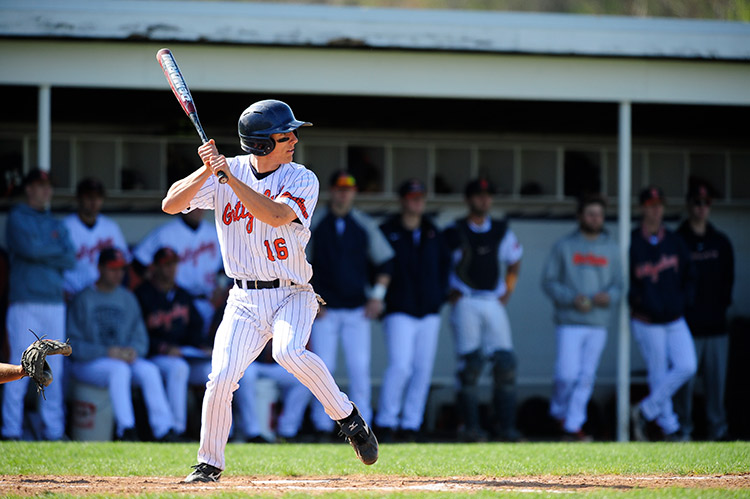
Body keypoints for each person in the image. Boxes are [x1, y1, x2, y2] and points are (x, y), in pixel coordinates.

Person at [160, 99, 378, 483]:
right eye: (284, 135)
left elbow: (275, 215)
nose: (293, 139)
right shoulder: (227, 171)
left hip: (292, 291)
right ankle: (209, 463)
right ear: (260, 144)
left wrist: (229, 178)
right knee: (222, 377)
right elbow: (170, 203)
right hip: (243, 298)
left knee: (288, 351)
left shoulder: (301, 178)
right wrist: (206, 170)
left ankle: (347, 417)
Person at [304, 170, 394, 438]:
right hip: (325, 310)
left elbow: (386, 261)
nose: (344, 194)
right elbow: (300, 263)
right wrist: (311, 298)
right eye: (340, 189)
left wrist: (377, 296)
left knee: (359, 368)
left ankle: (364, 428)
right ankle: (321, 426)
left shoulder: (363, 223)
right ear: (332, 191)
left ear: (354, 193)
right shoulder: (315, 222)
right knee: (323, 368)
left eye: (349, 189)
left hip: (357, 309)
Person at [67, 247, 180, 442]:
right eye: (113, 268)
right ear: (100, 268)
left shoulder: (127, 298)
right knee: (119, 370)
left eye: (121, 269)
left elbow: (141, 339)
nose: (119, 274)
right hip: (88, 363)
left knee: (148, 370)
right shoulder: (83, 298)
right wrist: (107, 352)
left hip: (119, 359)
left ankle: (165, 430)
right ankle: (126, 430)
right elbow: (71, 346)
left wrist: (133, 351)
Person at [443, 178, 523, 442]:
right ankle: (470, 427)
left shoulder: (501, 230)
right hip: (465, 300)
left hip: (492, 300)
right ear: (468, 200)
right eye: (478, 195)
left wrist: (508, 291)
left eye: (487, 195)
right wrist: (448, 292)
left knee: (505, 363)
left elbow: (514, 261)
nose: (484, 200)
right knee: (471, 365)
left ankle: (506, 427)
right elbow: (439, 264)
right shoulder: (454, 230)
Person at [541, 194, 622, 441]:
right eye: (590, 213)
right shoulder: (564, 246)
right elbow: (549, 282)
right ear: (579, 216)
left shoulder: (612, 248)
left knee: (586, 377)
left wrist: (608, 296)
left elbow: (620, 285)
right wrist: (572, 298)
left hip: (598, 322)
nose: (595, 218)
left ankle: (573, 425)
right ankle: (559, 411)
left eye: (599, 214)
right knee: (566, 374)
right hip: (570, 321)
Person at [374, 179, 450, 442]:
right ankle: (386, 420)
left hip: (429, 310)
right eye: (412, 197)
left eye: (421, 197)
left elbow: (444, 267)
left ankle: (411, 423)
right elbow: (375, 266)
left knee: (422, 369)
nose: (417, 201)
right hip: (399, 309)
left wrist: (439, 297)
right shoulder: (387, 230)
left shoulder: (432, 231)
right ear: (403, 200)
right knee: (400, 366)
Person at [2, 168, 76, 441]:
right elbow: (28, 250)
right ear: (29, 189)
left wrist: (43, 251)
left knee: (56, 365)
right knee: (20, 365)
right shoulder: (18, 217)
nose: (46, 191)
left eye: (49, 186)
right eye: (40, 185)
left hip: (54, 302)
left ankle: (54, 431)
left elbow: (70, 258)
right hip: (24, 301)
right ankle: (10, 430)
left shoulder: (57, 223)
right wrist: (50, 251)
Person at [629, 186, 697, 441]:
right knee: (657, 373)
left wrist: (682, 302)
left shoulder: (675, 241)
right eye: (651, 204)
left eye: (659, 204)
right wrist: (640, 301)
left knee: (687, 365)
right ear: (642, 208)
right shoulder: (634, 241)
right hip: (647, 320)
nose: (656, 209)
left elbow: (690, 277)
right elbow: (628, 281)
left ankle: (645, 410)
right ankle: (670, 428)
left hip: (674, 317)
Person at [673, 181, 734, 441]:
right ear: (689, 205)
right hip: (685, 327)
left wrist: (720, 308)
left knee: (716, 386)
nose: (701, 208)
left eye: (706, 203)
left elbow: (728, 281)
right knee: (683, 385)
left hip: (717, 327)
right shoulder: (678, 240)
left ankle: (717, 432)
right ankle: (683, 431)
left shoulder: (720, 242)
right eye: (697, 203)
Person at [134, 246, 208, 441]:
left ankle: (227, 433)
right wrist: (163, 348)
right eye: (166, 265)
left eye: (174, 264)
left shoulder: (182, 294)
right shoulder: (142, 294)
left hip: (183, 354)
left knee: (214, 370)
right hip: (153, 355)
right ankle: (175, 429)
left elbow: (196, 327)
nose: (171, 269)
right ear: (155, 267)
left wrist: (201, 346)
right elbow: (137, 333)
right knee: (178, 367)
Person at [133, 209, 223, 333]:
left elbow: (224, 269)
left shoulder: (214, 232)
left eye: (200, 204)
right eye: (193, 205)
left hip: (208, 302)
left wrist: (221, 287)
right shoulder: (166, 232)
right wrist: (156, 291)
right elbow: (138, 262)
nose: (198, 209)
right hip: (177, 303)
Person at [62, 177, 129, 300]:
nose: (94, 202)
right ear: (79, 198)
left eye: (98, 197)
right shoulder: (65, 227)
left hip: (104, 295)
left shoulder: (110, 227)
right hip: (72, 294)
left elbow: (124, 262)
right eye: (89, 197)